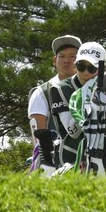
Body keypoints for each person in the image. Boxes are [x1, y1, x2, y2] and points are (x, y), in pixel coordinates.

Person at [28, 35, 81, 170]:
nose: (66, 61)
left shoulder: (92, 88)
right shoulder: (41, 92)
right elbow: (38, 137)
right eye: (62, 56)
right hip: (56, 165)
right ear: (54, 60)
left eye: (72, 57)